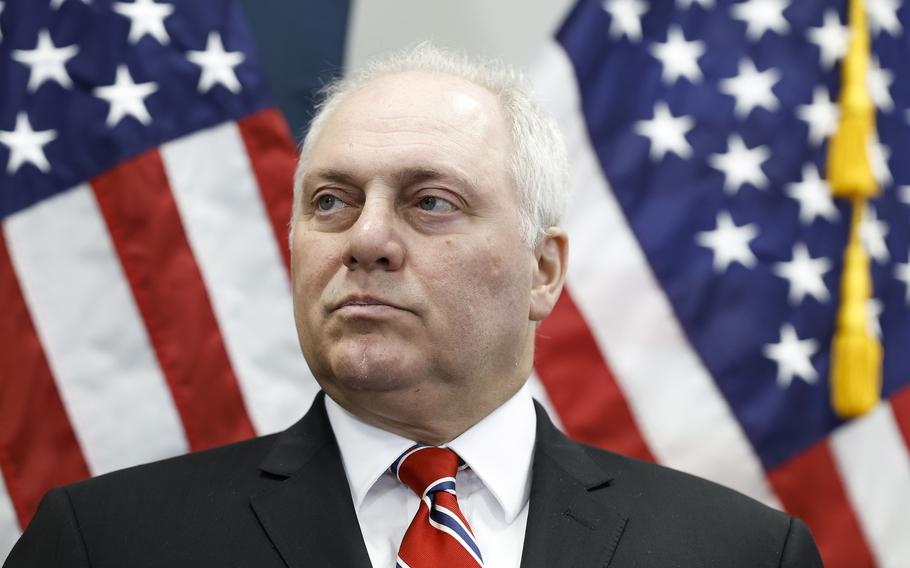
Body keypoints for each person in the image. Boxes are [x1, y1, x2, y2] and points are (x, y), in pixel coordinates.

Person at [4, 44, 823, 568]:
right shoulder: (106, 545)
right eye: (331, 201)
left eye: (430, 202)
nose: (366, 239)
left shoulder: (737, 553)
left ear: (542, 271)